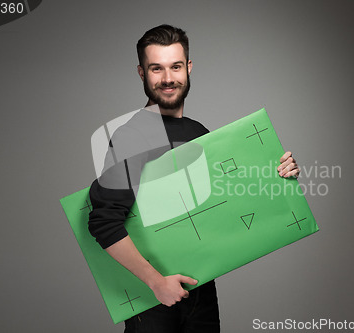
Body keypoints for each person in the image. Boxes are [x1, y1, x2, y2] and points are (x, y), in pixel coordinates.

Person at [88, 24, 300, 333]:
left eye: (175, 66)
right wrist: (157, 283)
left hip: (202, 290)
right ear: (141, 73)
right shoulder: (132, 136)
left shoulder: (199, 133)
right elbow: (103, 221)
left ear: (188, 67)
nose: (168, 78)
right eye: (156, 69)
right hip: (154, 300)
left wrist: (278, 174)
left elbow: (225, 203)